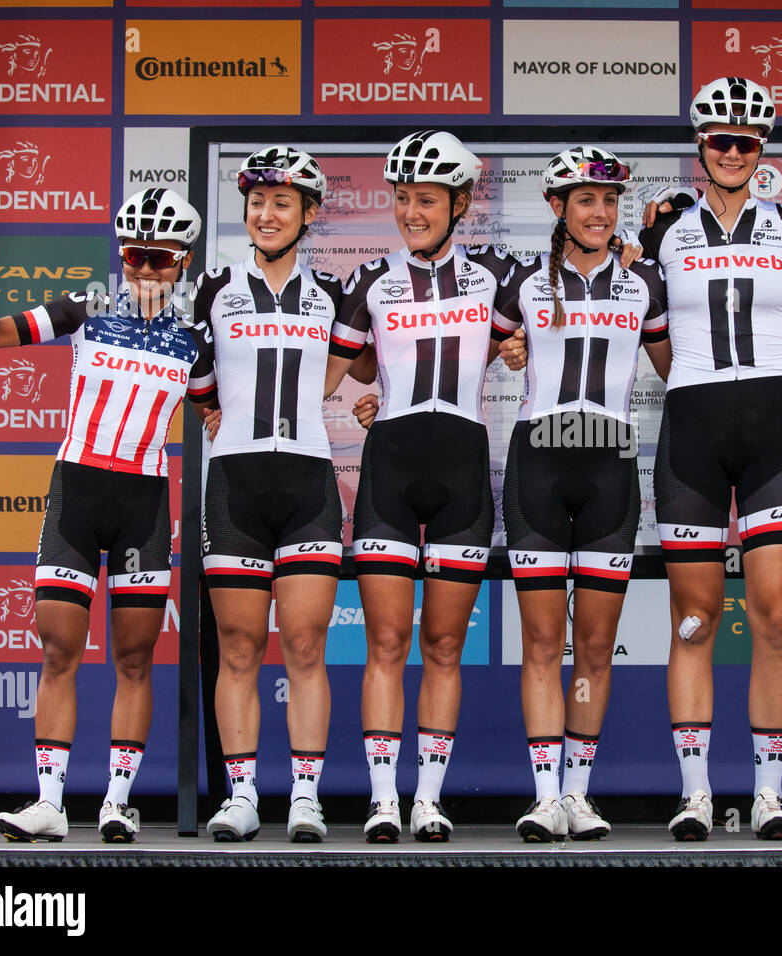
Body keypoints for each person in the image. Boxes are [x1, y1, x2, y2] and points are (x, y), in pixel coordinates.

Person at [0, 189, 216, 842]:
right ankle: (49, 803)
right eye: (134, 255)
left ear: (183, 261)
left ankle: (116, 802)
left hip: (145, 507)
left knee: (134, 659)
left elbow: (232, 405)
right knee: (58, 651)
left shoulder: (198, 333)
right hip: (76, 494)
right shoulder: (87, 306)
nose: (145, 271)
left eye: (159, 258)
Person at [637, 77, 782, 841]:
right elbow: (649, 332)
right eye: (719, 140)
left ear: (762, 152)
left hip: (773, 441)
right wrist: (695, 386)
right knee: (693, 620)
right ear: (700, 147)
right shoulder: (660, 233)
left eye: (745, 142)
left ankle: (768, 795)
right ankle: (694, 794)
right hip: (690, 433)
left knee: (777, 620)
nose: (731, 152)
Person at [337, 130, 521, 843]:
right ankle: (385, 799)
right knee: (385, 640)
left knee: (444, 644)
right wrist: (368, 391)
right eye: (402, 198)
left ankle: (428, 800)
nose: (411, 211)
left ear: (461, 203)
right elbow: (348, 367)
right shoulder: (369, 279)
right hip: (389, 466)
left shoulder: (498, 271)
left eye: (426, 199)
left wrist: (522, 344)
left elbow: (550, 314)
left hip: (464, 470)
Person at [490, 146, 672, 841]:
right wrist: (505, 351)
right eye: (585, 200)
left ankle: (579, 792)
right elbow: (455, 355)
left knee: (596, 646)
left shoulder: (642, 281)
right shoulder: (523, 281)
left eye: (609, 200)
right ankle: (543, 796)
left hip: (613, 471)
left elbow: (677, 365)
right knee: (542, 640)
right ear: (558, 207)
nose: (600, 212)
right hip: (538, 463)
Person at [193, 146, 365, 843]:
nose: (266, 214)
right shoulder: (211, 285)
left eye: (283, 203)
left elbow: (341, 376)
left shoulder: (334, 292)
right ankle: (240, 795)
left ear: (311, 214)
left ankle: (305, 796)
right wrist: (213, 407)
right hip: (233, 482)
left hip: (306, 483)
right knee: (238, 646)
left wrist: (374, 399)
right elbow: (193, 370)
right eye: (258, 203)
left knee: (304, 644)